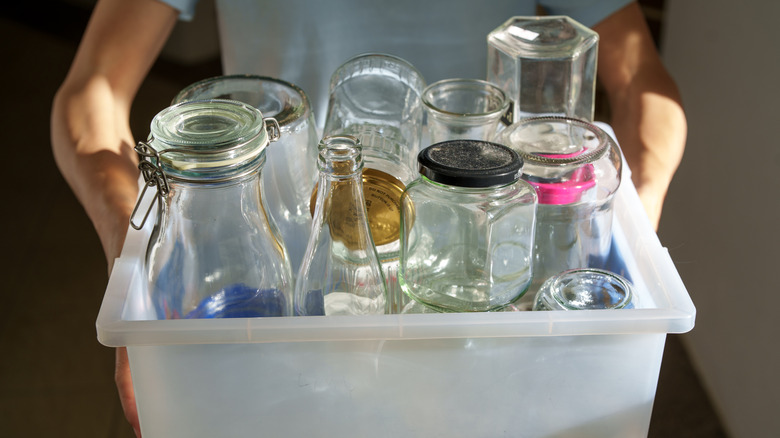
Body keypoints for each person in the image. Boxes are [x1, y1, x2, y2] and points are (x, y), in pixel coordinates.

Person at [50, 0, 686, 435]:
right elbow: (90, 92)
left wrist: (631, 235)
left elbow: (646, 85)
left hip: (478, 285)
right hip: (288, 250)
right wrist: (129, 259)